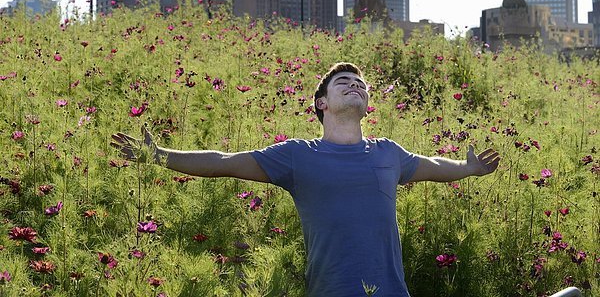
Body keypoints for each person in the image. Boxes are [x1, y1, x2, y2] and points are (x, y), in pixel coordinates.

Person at [111, 62, 500, 297]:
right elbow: (223, 162)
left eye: (360, 84)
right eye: (343, 82)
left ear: (367, 105)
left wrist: (469, 168)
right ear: (322, 104)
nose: (355, 86)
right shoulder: (298, 156)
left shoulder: (388, 153)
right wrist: (159, 156)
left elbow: (432, 165)